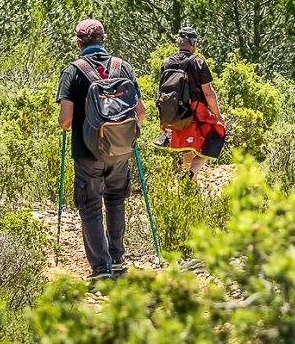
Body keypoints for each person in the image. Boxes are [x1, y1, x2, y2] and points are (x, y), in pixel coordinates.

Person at [56, 18, 145, 282]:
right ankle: (117, 260)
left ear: (78, 42)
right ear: (103, 39)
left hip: (87, 151)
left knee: (91, 205)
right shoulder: (123, 67)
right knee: (116, 200)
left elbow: (65, 120)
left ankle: (101, 268)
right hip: (120, 149)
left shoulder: (73, 71)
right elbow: (140, 113)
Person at [153, 27, 226, 180]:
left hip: (173, 114)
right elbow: (208, 93)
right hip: (195, 114)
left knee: (189, 146)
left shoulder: (166, 63)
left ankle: (188, 184)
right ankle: (190, 175)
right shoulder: (198, 63)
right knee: (215, 136)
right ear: (193, 43)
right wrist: (218, 115)